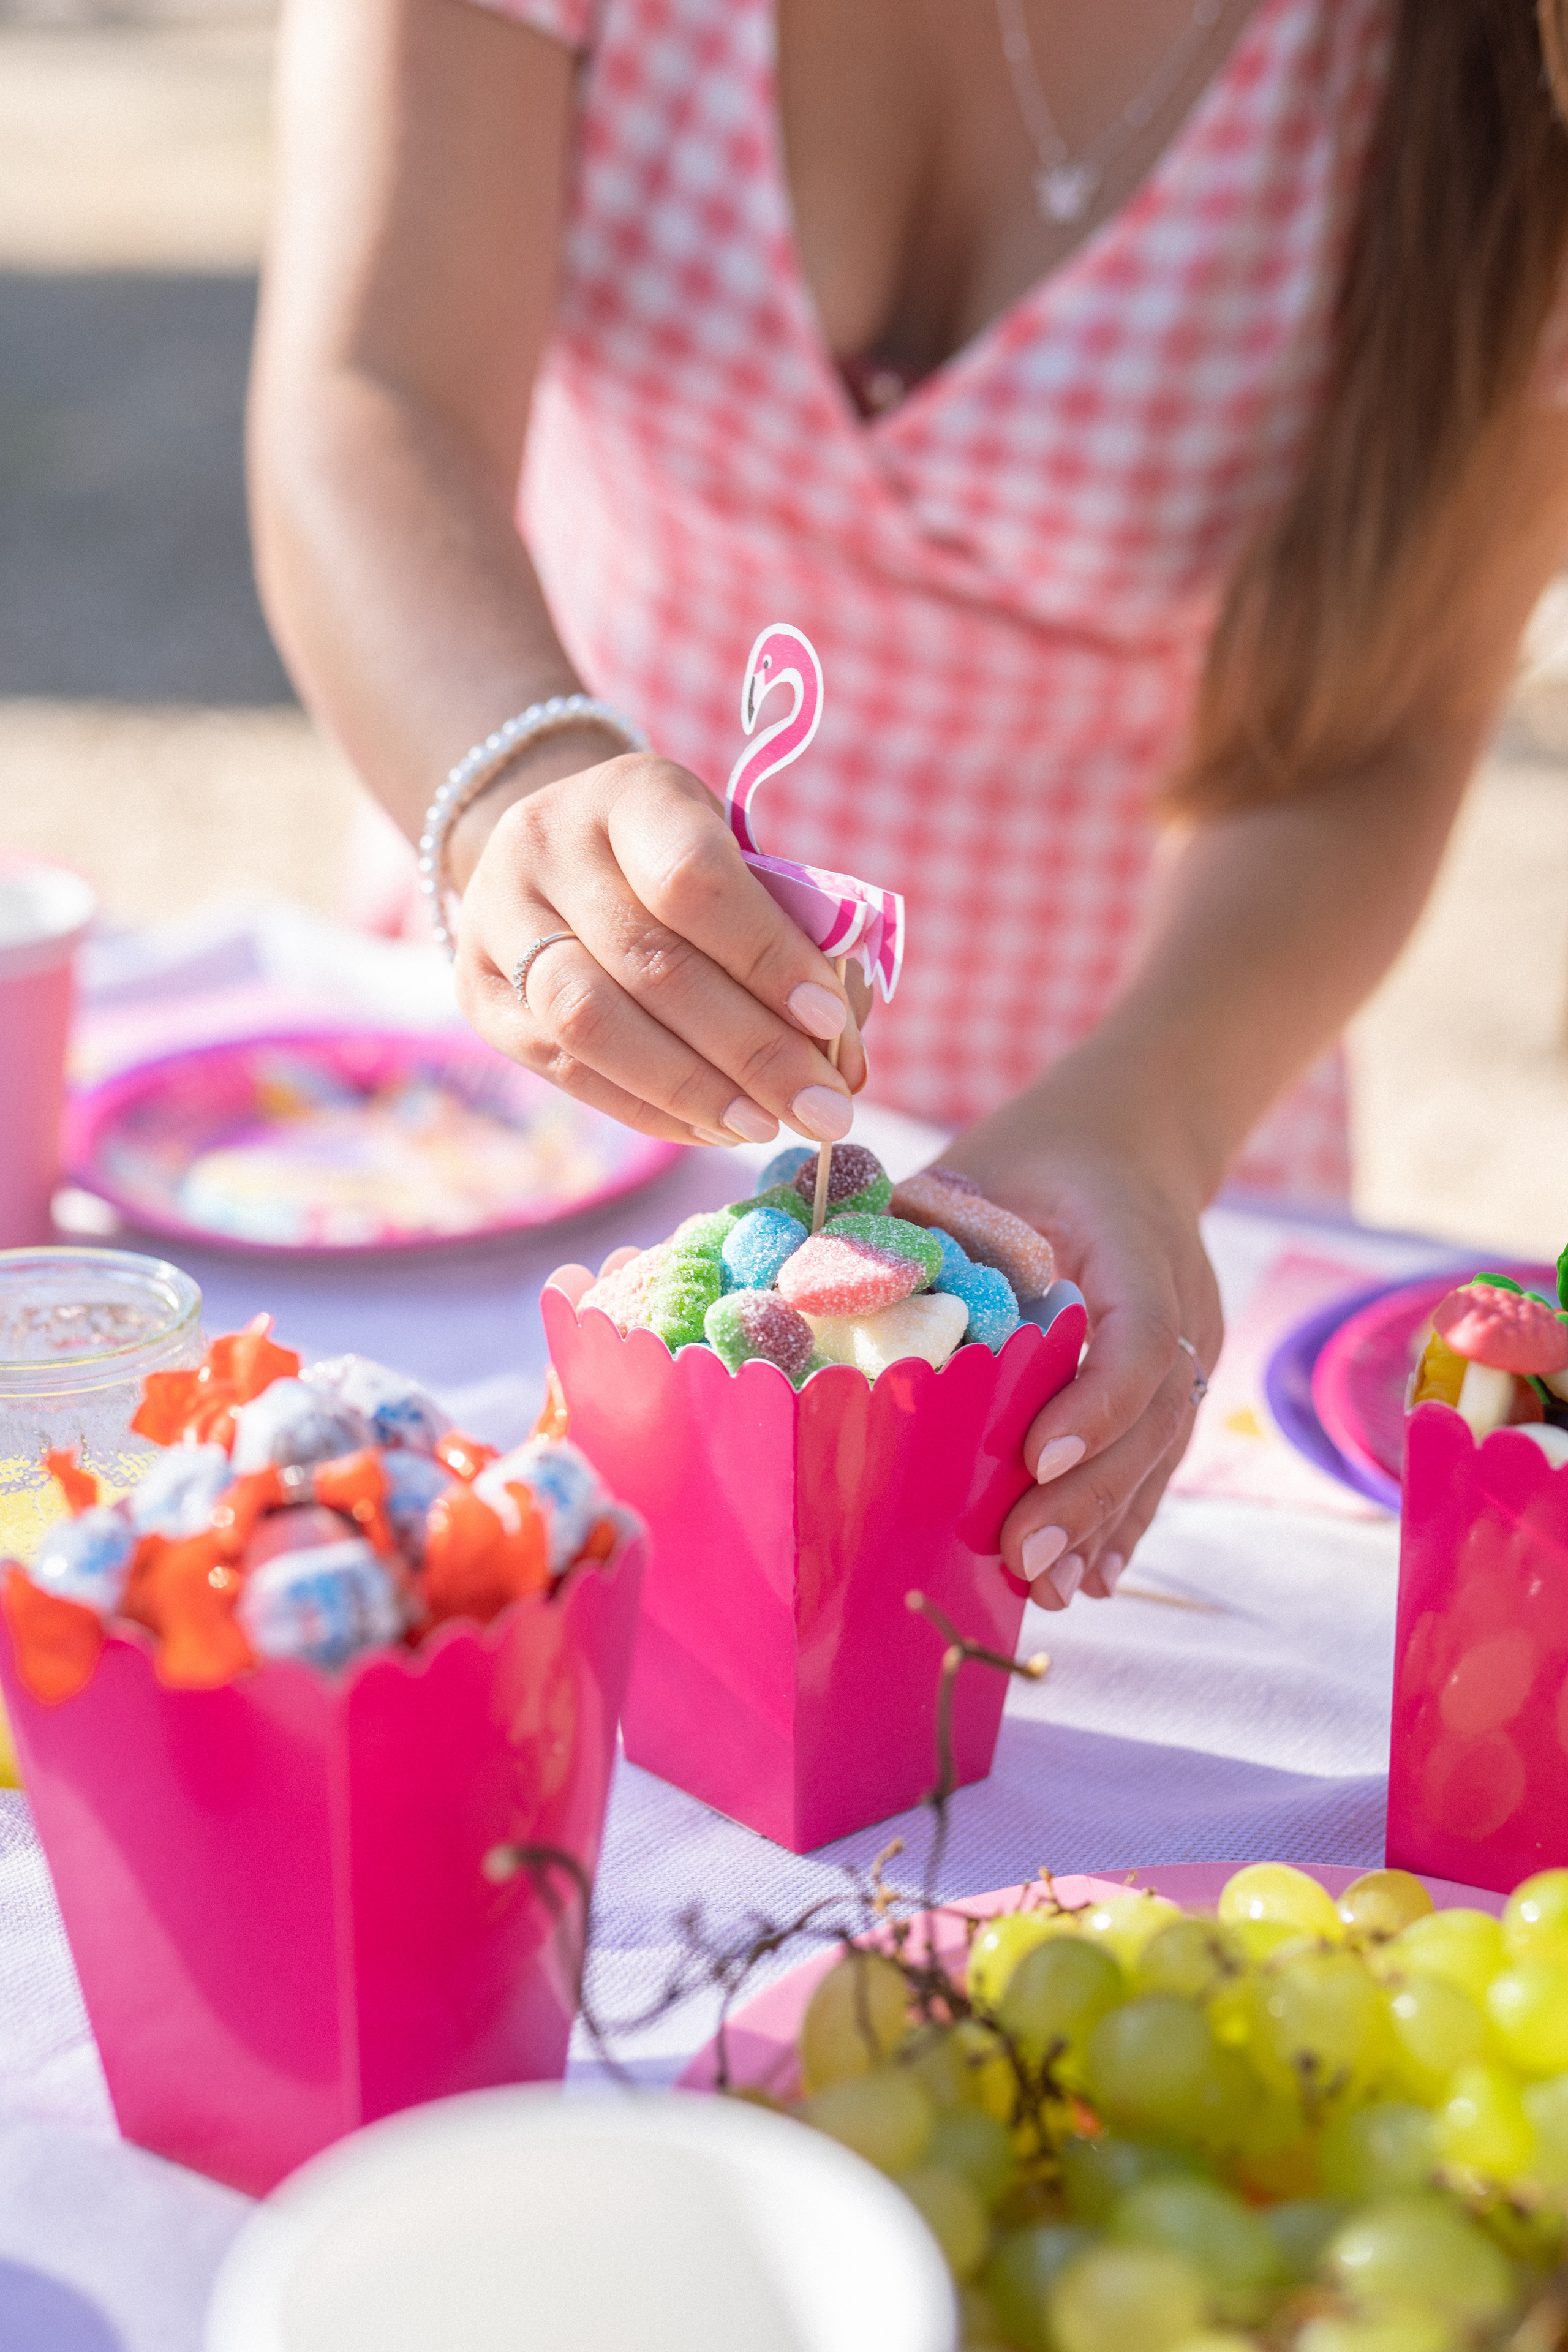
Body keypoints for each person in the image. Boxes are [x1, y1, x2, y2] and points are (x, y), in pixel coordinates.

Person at [249, 0, 1568, 1612]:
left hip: (1142, 1131)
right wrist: (521, 782)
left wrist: (1147, 1120)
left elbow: (1379, 722)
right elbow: (369, 397)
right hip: (542, 1070)